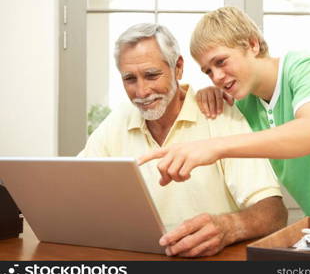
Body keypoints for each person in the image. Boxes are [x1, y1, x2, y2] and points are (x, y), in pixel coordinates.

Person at [138, 7, 310, 240]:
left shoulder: (308, 69)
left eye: (221, 62)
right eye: (208, 71)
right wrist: (211, 93)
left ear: (252, 44)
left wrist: (215, 146)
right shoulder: (245, 102)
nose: (217, 76)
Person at [78, 22, 287, 257]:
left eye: (151, 75)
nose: (142, 91)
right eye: (130, 79)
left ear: (178, 68)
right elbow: (74, 184)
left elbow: (274, 212)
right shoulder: (118, 120)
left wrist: (228, 227)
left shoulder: (219, 115)